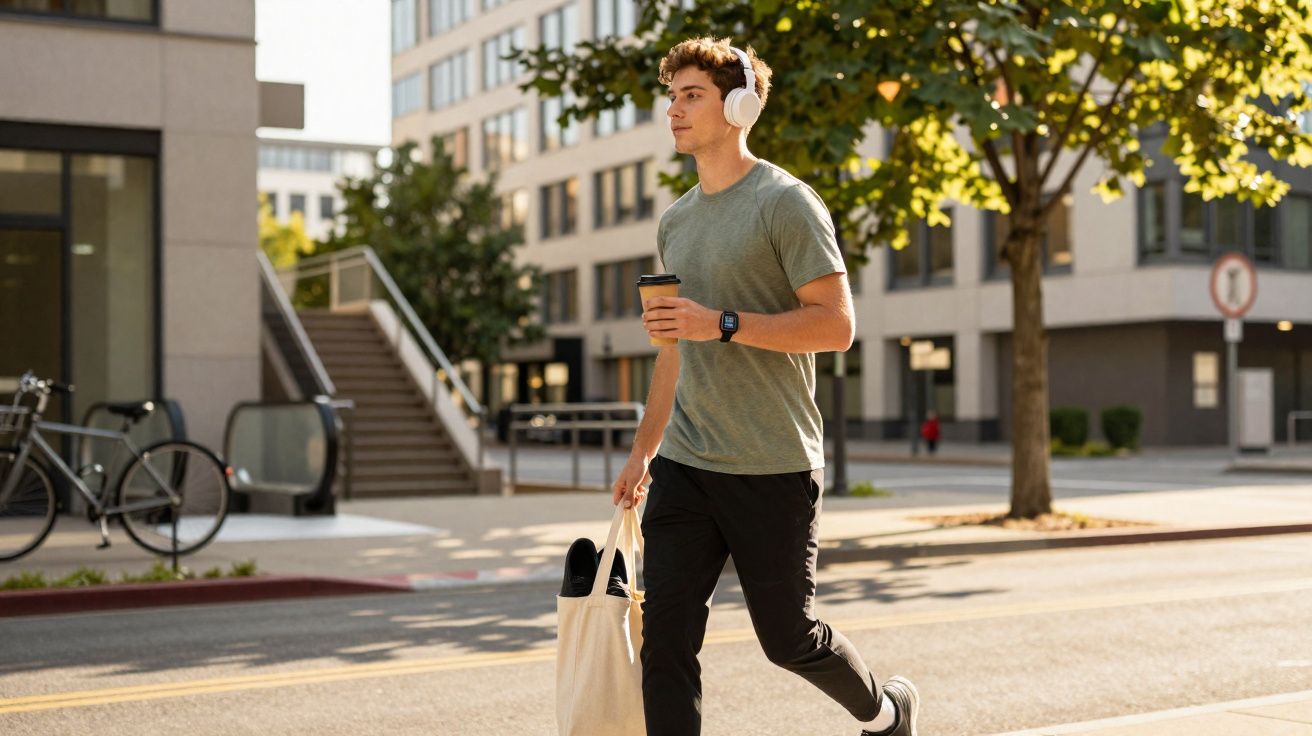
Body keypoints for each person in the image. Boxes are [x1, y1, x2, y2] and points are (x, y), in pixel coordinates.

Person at [610, 36, 920, 736]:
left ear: (739, 105)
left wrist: (719, 321)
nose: (674, 110)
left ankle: (884, 712)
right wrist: (642, 454)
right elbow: (672, 352)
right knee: (665, 644)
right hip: (688, 464)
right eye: (672, 96)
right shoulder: (677, 221)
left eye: (691, 95)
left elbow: (835, 326)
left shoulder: (786, 203)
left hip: (773, 461)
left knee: (788, 638)